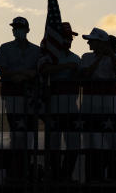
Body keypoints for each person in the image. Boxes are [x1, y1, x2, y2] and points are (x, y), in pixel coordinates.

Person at [0, 16, 40, 179]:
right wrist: (22, 74)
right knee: (16, 132)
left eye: (20, 27)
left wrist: (24, 75)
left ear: (27, 30)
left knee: (28, 133)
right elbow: (3, 71)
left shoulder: (37, 50)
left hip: (31, 97)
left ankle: (26, 170)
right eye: (15, 28)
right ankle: (15, 171)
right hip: (12, 96)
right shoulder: (5, 48)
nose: (17, 30)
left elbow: (38, 71)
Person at [39, 22, 80, 182]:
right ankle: (55, 175)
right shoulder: (48, 56)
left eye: (70, 37)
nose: (69, 39)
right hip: (53, 108)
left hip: (71, 106)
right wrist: (66, 67)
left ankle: (66, 175)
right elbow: (43, 69)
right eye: (66, 36)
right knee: (54, 145)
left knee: (73, 145)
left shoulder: (76, 58)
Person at [78, 27, 116, 182]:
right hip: (90, 108)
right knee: (91, 144)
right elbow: (86, 74)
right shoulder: (86, 57)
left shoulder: (112, 58)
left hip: (109, 107)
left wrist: (110, 54)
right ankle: (92, 177)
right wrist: (99, 58)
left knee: (112, 143)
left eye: (92, 40)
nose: (89, 42)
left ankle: (111, 176)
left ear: (101, 42)